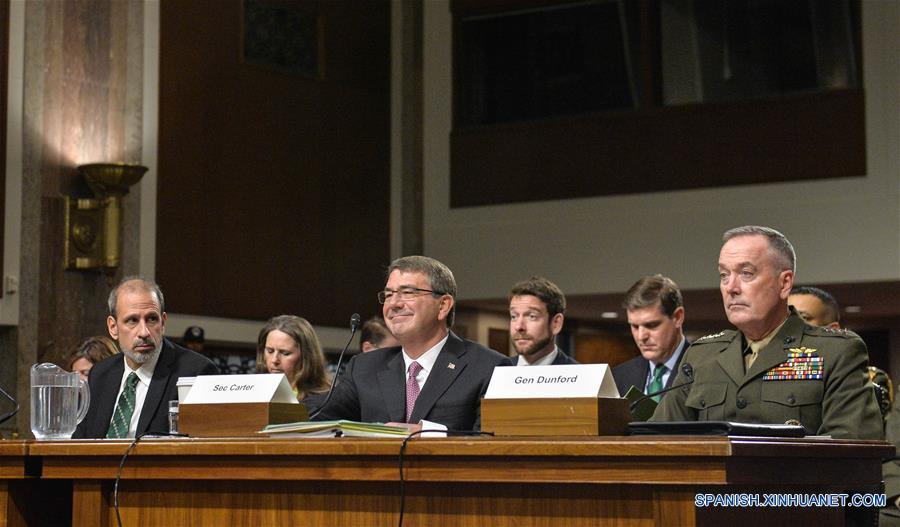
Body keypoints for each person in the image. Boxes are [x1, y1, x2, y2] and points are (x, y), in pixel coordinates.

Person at [651, 226, 882, 439]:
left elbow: (851, 450)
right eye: (724, 275)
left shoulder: (835, 352)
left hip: (794, 484)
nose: (731, 287)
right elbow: (657, 440)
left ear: (784, 283)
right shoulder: (702, 356)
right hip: (709, 484)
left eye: (746, 273)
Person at [310, 255, 508, 432]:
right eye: (388, 295)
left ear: (443, 305)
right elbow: (314, 415)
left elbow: (492, 440)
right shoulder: (364, 368)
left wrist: (429, 435)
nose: (394, 304)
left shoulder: (489, 367)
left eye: (408, 292)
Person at [73, 277, 219, 439]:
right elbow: (81, 440)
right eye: (132, 321)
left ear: (163, 323)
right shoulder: (100, 374)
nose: (144, 332)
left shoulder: (196, 372)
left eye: (151, 319)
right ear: (113, 327)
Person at [613, 275, 688, 399]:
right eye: (635, 326)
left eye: (651, 325)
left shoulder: (704, 372)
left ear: (678, 317)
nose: (641, 336)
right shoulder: (619, 377)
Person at [256, 315, 331, 403]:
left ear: (306, 356)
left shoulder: (325, 400)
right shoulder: (255, 393)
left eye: (285, 353)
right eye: (270, 351)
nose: (274, 360)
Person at [508, 276, 576, 365]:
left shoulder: (580, 376)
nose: (519, 327)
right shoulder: (495, 372)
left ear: (556, 323)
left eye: (532, 316)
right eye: (514, 316)